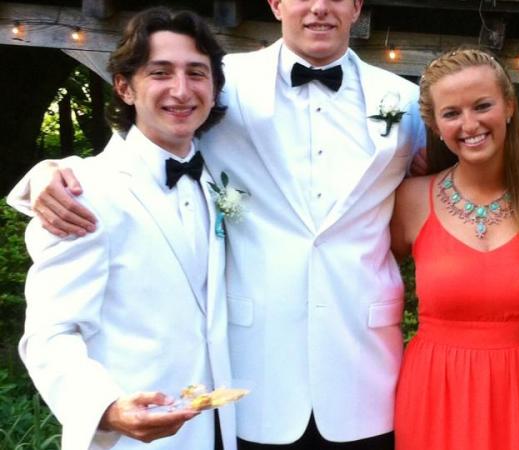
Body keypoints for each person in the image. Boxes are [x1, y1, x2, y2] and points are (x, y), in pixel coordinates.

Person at [11, 1, 427, 448]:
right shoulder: (226, 81)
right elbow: (147, 136)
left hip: (362, 364)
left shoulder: (404, 100)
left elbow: (442, 185)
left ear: (357, 5)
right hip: (254, 373)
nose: (320, 6)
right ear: (275, 3)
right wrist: (48, 174)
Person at [9, 7, 237, 450]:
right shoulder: (81, 191)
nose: (181, 90)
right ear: (123, 87)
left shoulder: (219, 182)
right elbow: (49, 334)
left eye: (196, 73)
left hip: (217, 434)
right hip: (131, 439)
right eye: (160, 72)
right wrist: (107, 408)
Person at [390, 48, 519, 450]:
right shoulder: (412, 198)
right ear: (435, 126)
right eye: (451, 113)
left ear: (509, 106)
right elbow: (362, 280)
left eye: (482, 105)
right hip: (435, 399)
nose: (469, 124)